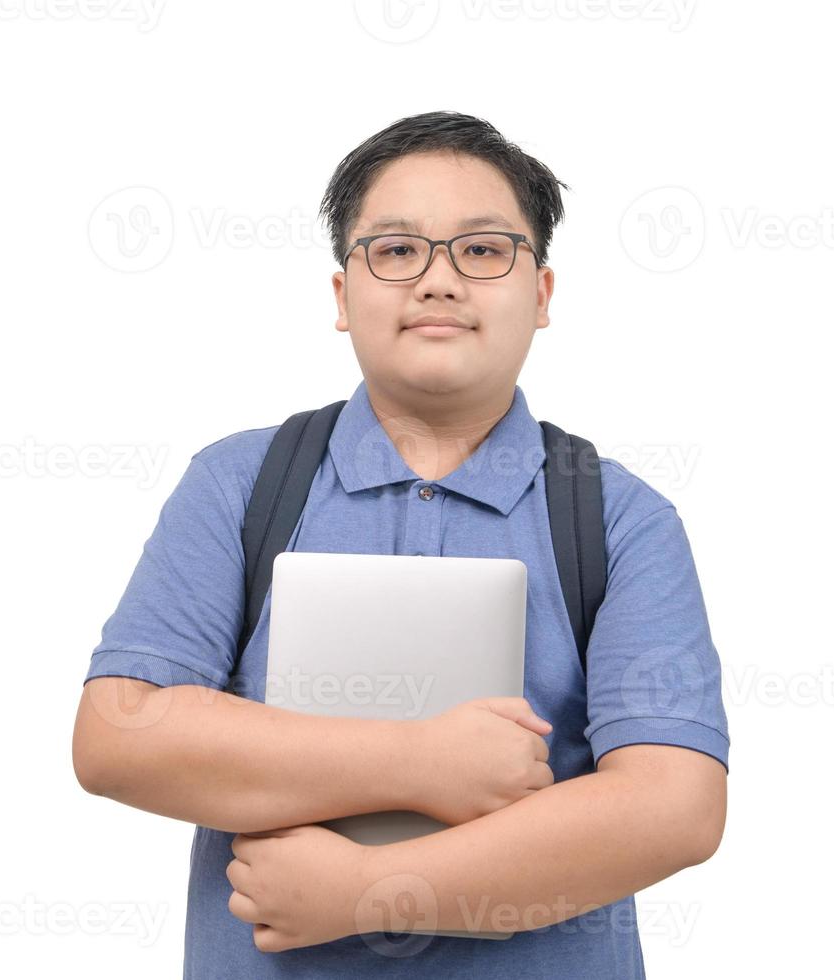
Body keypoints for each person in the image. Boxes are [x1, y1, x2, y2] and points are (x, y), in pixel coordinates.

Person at [70, 110, 729, 978]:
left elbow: (674, 807)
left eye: (484, 250)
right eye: (396, 251)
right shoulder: (239, 484)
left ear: (542, 295)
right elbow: (120, 738)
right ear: (343, 297)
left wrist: (372, 890)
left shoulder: (618, 516)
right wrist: (421, 762)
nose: (439, 282)